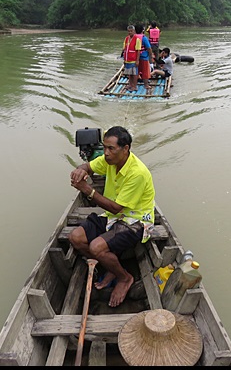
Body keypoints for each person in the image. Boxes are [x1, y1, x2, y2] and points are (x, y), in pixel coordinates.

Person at [69, 126, 156, 307]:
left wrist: (88, 190)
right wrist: (81, 169)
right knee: (75, 238)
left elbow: (117, 208)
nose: (106, 153)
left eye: (111, 149)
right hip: (112, 216)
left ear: (125, 149)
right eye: (104, 147)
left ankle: (124, 277)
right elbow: (89, 166)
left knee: (96, 247)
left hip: (136, 220)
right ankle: (111, 266)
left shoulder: (137, 173)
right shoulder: (109, 161)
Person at [121, 25, 141, 91]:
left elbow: (138, 51)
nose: (130, 32)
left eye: (131, 31)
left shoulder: (137, 39)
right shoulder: (126, 38)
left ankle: (134, 86)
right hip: (127, 59)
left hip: (134, 59)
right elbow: (124, 49)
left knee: (134, 74)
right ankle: (130, 84)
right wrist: (124, 59)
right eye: (129, 31)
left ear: (134, 31)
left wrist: (137, 60)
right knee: (129, 73)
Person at [136, 24, 154, 90]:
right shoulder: (144, 38)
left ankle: (134, 83)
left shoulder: (133, 37)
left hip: (135, 58)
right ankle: (146, 85)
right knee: (145, 71)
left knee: (136, 71)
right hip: (144, 57)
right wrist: (151, 55)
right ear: (142, 30)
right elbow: (149, 48)